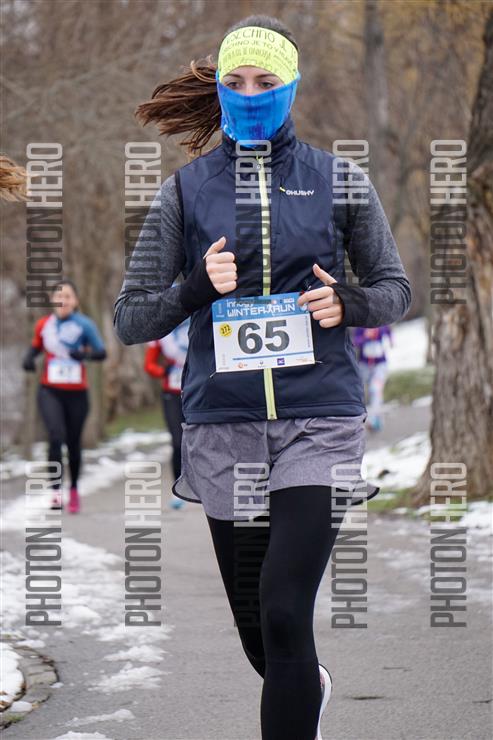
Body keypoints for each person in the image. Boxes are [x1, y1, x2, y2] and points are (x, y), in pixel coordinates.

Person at [114, 14, 411, 740]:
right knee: (262, 637)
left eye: (265, 81)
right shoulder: (185, 192)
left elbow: (395, 289)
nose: (250, 94)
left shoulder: (338, 180)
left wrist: (348, 303)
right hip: (225, 428)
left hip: (319, 423)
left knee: (283, 608)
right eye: (235, 81)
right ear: (219, 88)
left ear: (292, 87)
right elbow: (130, 317)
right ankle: (308, 684)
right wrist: (194, 290)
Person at [22, 279, 106, 512]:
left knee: (73, 442)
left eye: (67, 296)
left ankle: (74, 489)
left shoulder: (85, 325)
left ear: (75, 301)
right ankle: (56, 491)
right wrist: (28, 358)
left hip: (77, 393)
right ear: (52, 300)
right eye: (58, 296)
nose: (63, 301)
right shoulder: (44, 325)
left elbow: (101, 353)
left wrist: (84, 355)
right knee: (55, 436)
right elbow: (36, 346)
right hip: (50, 390)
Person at [144, 316, 190, 510]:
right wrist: (162, 371)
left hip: (196, 393)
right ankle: (178, 488)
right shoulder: (163, 333)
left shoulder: (197, 324)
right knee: (177, 442)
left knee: (199, 441)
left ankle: (204, 486)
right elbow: (149, 364)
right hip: (171, 393)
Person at [352, 325, 393, 431]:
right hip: (364, 366)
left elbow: (389, 337)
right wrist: (365, 337)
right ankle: (369, 418)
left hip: (380, 365)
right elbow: (355, 342)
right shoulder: (361, 326)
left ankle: (374, 420)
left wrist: (389, 341)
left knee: (375, 389)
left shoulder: (383, 325)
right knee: (361, 392)